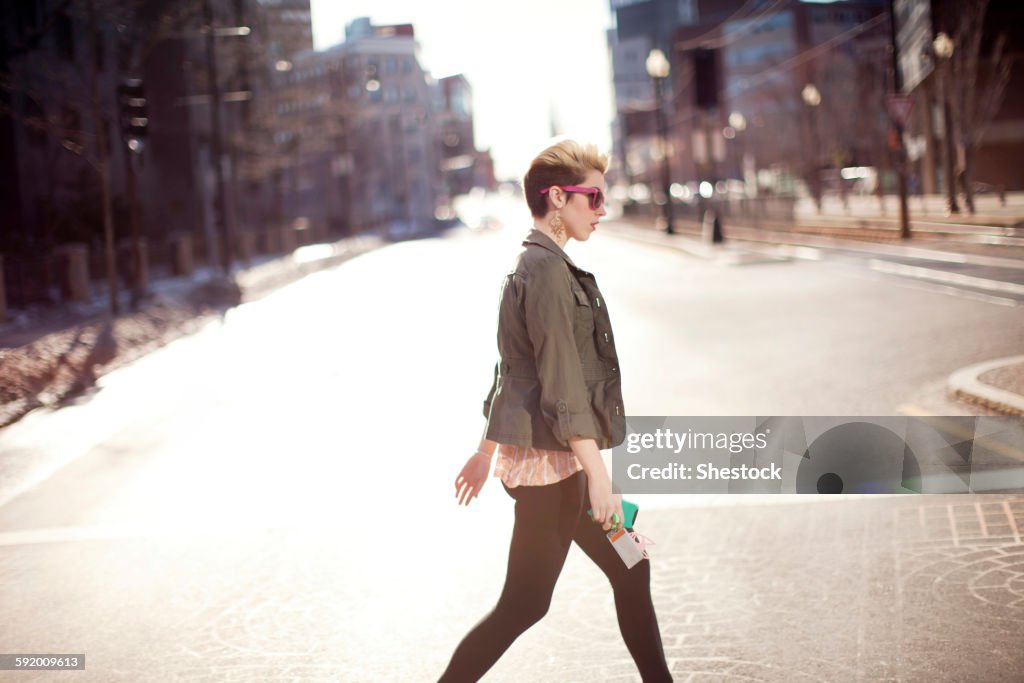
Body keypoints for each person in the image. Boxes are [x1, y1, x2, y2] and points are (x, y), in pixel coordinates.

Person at [437, 140, 673, 682]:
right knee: (524, 605)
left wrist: (484, 452)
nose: (601, 209)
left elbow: (513, 373)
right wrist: (600, 478)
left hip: (562, 460)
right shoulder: (542, 271)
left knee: (632, 566)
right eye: (593, 198)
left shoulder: (543, 265)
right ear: (558, 197)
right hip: (555, 468)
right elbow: (559, 383)